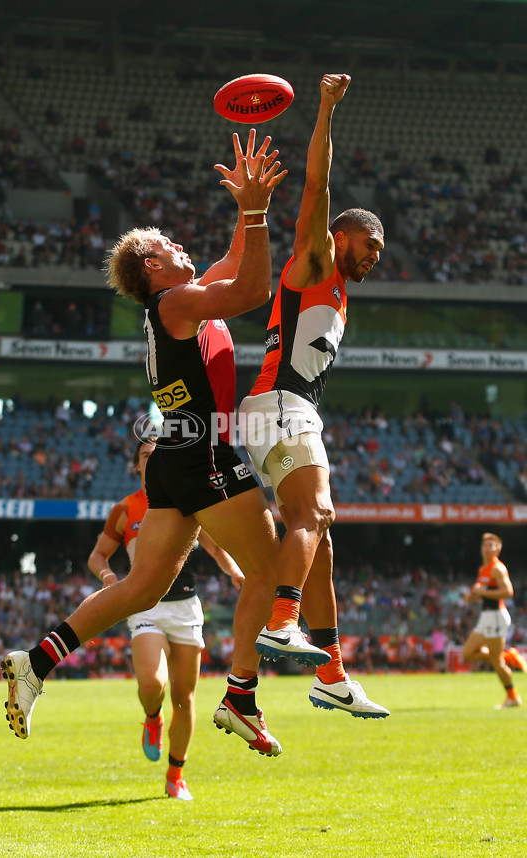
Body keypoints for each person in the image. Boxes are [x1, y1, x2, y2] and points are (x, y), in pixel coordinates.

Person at [2, 130, 312, 757]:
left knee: (141, 589)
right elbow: (252, 289)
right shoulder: (176, 302)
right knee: (272, 567)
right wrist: (253, 212)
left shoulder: (179, 302)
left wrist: (251, 211)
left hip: (174, 455)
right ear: (151, 266)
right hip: (202, 453)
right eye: (167, 244)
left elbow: (234, 266)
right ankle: (242, 697)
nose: (179, 245)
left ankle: (33, 661)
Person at [239, 73, 389, 719]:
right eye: (371, 245)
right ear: (344, 234)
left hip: (282, 410)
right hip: (281, 404)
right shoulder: (317, 262)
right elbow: (319, 189)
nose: (374, 257)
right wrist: (326, 110)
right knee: (313, 517)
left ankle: (330, 671)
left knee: (321, 539)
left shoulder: (339, 292)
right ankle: (280, 622)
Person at [88, 437, 244, 800]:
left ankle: (176, 775)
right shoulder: (126, 508)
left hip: (186, 608)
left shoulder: (188, 499)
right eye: (146, 455)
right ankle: (152, 716)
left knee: (185, 699)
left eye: (159, 455)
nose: (153, 460)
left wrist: (234, 572)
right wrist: (110, 579)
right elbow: (99, 555)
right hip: (146, 607)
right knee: (152, 685)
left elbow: (216, 546)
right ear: (137, 465)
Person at [462, 532, 526, 709]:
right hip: (486, 616)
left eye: (492, 545)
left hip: (496, 616)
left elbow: (508, 592)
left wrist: (482, 592)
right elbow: (486, 596)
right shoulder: (483, 569)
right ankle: (510, 656)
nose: (487, 548)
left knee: (497, 662)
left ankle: (513, 697)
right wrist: (472, 598)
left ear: (498, 549)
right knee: (468, 654)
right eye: (485, 545)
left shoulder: (498, 568)